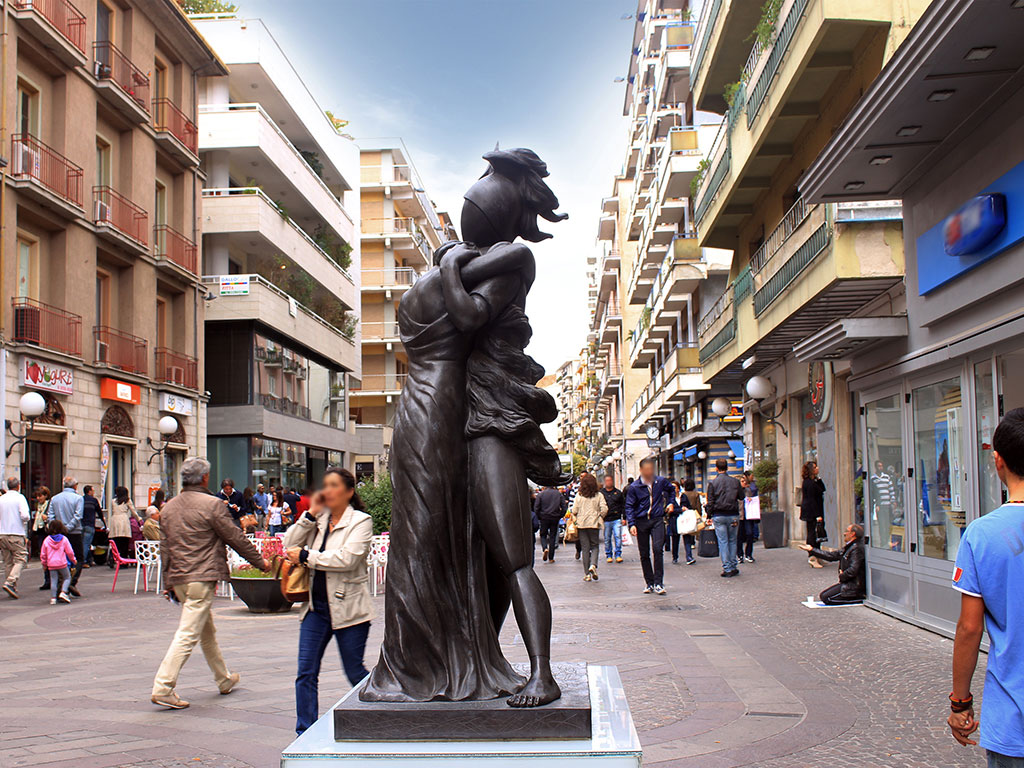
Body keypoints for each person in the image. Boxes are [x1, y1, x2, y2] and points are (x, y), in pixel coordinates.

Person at [151, 457, 268, 710]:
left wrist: (167, 582)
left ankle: (223, 678)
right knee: (188, 633)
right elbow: (235, 537)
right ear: (205, 478)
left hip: (179, 578)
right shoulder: (212, 505)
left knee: (206, 631)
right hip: (201, 576)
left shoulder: (169, 508)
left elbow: (164, 548)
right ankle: (163, 686)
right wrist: (261, 562)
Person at [947, 409, 1024, 763]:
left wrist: (960, 703)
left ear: (998, 461)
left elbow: (969, 628)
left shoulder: (980, 534)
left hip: (1013, 717)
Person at [284, 468, 374, 735]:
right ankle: (304, 731)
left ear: (349, 492)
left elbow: (348, 559)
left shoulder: (361, 521)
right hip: (316, 609)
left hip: (349, 609)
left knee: (354, 672)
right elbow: (289, 544)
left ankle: (383, 710)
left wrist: (306, 557)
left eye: (334, 485)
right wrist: (308, 516)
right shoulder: (318, 519)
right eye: (325, 486)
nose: (327, 491)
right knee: (305, 672)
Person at [624, 457, 675, 595]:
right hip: (641, 521)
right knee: (644, 553)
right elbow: (629, 506)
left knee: (658, 549)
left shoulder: (660, 481)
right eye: (646, 469)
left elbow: (672, 490)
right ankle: (649, 582)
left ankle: (659, 583)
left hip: (657, 519)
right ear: (641, 470)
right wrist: (631, 524)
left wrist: (671, 503)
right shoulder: (635, 487)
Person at [799, 524, 866, 605]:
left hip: (854, 585)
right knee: (824, 595)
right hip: (848, 582)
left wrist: (842, 575)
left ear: (852, 534)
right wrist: (812, 549)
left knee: (827, 598)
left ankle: (860, 599)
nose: (844, 533)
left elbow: (853, 569)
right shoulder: (850, 546)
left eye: (846, 531)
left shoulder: (857, 548)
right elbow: (832, 556)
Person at [47, 477, 84, 595]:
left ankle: (62, 583)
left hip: (58, 533)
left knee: (61, 558)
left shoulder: (54, 499)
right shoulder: (78, 498)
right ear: (75, 486)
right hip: (74, 532)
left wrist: (56, 529)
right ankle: (71, 581)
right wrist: (68, 528)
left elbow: (50, 516)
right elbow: (78, 516)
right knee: (79, 558)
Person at [706, 459, 742, 578]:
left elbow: (710, 502)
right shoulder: (735, 482)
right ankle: (733, 565)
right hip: (733, 514)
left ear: (716, 468)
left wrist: (708, 515)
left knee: (723, 542)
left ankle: (727, 568)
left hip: (719, 515)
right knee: (732, 540)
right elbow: (741, 496)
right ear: (727, 468)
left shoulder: (713, 483)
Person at [569, 474, 607, 582]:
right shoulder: (599, 495)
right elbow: (604, 509)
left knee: (585, 549)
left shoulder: (579, 495)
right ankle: (593, 565)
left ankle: (587, 574)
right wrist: (599, 516)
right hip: (594, 523)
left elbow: (574, 510)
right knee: (594, 546)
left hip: (582, 524)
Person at [0, 477, 30, 599]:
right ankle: (10, 581)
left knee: (8, 561)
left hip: (2, 533)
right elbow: (25, 516)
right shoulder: (20, 498)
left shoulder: (2, 499)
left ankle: (12, 586)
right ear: (18, 486)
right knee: (21, 558)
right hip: (16, 532)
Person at [40, 519, 76, 605]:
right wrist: (73, 560)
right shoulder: (64, 539)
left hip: (51, 564)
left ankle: (53, 598)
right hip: (62, 563)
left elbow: (43, 554)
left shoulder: (47, 540)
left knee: (53, 580)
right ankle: (63, 592)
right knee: (67, 577)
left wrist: (44, 564)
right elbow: (69, 552)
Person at [800, 461, 826, 568]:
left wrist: (818, 478)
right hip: (811, 512)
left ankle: (818, 554)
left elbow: (823, 489)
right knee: (812, 534)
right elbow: (811, 500)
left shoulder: (814, 481)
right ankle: (812, 557)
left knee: (818, 534)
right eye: (815, 467)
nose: (817, 468)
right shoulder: (808, 483)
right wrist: (817, 515)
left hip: (818, 510)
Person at [107, 485, 141, 562]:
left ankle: (113, 556)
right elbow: (133, 512)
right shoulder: (127, 501)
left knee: (116, 541)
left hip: (115, 519)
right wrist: (139, 519)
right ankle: (124, 559)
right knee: (124, 541)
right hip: (124, 520)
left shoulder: (113, 501)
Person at [535, 485, 566, 563]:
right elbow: (564, 507)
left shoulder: (541, 494)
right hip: (555, 517)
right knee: (553, 536)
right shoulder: (558, 494)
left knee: (543, 535)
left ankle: (545, 548)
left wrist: (539, 516)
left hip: (544, 517)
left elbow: (536, 507)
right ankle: (551, 557)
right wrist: (560, 515)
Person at [599, 475, 625, 563]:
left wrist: (624, 517)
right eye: (607, 481)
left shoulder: (618, 493)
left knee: (618, 536)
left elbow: (623, 505)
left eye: (610, 480)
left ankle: (618, 554)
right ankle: (609, 554)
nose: (609, 482)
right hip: (606, 519)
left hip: (616, 518)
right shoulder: (601, 493)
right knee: (607, 538)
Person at [740, 470, 759, 564]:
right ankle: (739, 555)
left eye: (744, 481)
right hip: (739, 516)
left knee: (749, 533)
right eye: (742, 481)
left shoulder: (749, 490)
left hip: (749, 515)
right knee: (739, 536)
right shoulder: (736, 491)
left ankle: (748, 554)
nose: (744, 483)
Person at [681, 479, 702, 565]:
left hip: (685, 514)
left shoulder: (683, 494)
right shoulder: (696, 494)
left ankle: (689, 549)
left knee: (687, 531)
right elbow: (698, 505)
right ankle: (692, 542)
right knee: (693, 528)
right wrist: (699, 514)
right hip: (693, 513)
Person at [81, 485, 103, 567]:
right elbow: (99, 512)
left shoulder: (81, 500)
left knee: (83, 543)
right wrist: (103, 522)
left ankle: (88, 559)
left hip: (81, 524)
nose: (93, 492)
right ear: (89, 491)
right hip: (90, 524)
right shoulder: (93, 501)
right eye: (93, 491)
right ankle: (83, 561)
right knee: (86, 543)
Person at [665, 479, 684, 565]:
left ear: (678, 488)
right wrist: (680, 510)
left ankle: (689, 556)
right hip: (673, 520)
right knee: (674, 538)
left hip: (684, 520)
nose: (673, 488)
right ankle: (675, 556)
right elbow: (669, 510)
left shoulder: (683, 496)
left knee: (685, 538)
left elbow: (688, 506)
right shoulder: (668, 499)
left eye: (675, 487)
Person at [30, 486, 51, 561]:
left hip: (46, 530)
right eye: (37, 496)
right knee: (41, 547)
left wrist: (47, 518)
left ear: (46, 496)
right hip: (39, 530)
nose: (38, 498)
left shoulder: (49, 505)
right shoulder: (38, 506)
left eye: (40, 496)